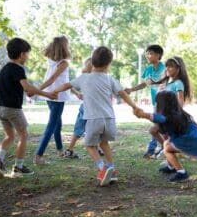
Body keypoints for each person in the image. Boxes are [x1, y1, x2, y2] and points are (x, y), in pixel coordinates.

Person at [54, 46, 140, 186]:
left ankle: (102, 168)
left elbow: (66, 85)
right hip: (109, 120)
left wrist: (54, 91)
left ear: (92, 62)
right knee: (103, 143)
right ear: (108, 65)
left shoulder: (84, 78)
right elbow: (123, 93)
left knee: (89, 145)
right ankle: (112, 168)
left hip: (93, 119)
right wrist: (134, 106)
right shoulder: (110, 79)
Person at [0, 37, 57, 178]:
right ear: (21, 55)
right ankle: (18, 168)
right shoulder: (18, 69)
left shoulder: (5, 68)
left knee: (10, 135)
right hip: (12, 109)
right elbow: (27, 87)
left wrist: (31, 92)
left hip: (0, 108)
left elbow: (22, 89)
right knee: (24, 135)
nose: (28, 56)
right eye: (27, 53)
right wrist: (47, 94)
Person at [134, 91, 197, 182]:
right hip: (193, 140)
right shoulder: (178, 113)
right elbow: (161, 129)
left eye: (157, 103)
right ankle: (171, 166)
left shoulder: (169, 116)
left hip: (190, 142)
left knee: (167, 149)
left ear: (163, 104)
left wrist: (143, 115)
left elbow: (159, 118)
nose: (156, 105)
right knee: (163, 140)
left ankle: (182, 172)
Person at [33, 36, 71, 165]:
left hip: (50, 95)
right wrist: (36, 89)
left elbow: (64, 80)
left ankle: (60, 150)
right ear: (64, 47)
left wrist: (39, 90)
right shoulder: (63, 63)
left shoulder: (51, 61)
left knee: (57, 124)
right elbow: (52, 79)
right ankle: (38, 156)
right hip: (57, 96)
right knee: (51, 126)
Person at [124, 45, 165, 158]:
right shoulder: (148, 69)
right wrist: (132, 89)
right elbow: (144, 84)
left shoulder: (165, 67)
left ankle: (153, 148)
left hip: (166, 102)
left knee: (158, 124)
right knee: (159, 124)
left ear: (158, 55)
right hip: (155, 102)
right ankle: (163, 147)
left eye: (150, 53)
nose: (148, 55)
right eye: (147, 53)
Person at [149, 56, 191, 158]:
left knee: (155, 131)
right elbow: (159, 99)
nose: (167, 68)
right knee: (158, 133)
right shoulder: (167, 83)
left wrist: (178, 113)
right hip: (162, 115)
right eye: (166, 66)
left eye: (170, 66)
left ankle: (170, 152)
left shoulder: (178, 83)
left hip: (171, 116)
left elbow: (180, 98)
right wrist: (160, 90)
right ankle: (167, 150)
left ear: (178, 69)